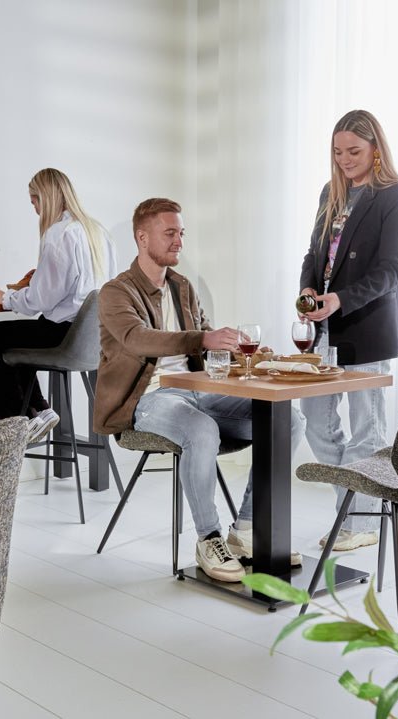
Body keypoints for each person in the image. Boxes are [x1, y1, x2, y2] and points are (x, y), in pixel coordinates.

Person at [94, 198, 305, 582]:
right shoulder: (116, 292)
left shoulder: (182, 287)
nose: (178, 242)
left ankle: (246, 529)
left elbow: (206, 342)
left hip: (198, 391)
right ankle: (208, 538)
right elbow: (137, 338)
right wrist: (205, 337)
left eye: (181, 233)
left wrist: (245, 353)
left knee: (286, 419)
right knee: (201, 429)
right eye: (169, 233)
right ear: (143, 237)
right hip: (148, 399)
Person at [298, 109, 398, 552]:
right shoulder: (333, 192)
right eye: (337, 152)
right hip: (324, 325)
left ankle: (358, 522)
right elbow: (314, 253)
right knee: (316, 421)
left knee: (367, 427)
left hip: (368, 324)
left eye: (354, 151)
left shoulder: (397, 196)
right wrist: (309, 290)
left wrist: (342, 299)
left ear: (375, 149)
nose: (345, 159)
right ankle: (349, 513)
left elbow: (392, 269)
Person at [0, 168, 116, 442]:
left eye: (35, 202)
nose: (35, 210)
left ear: (45, 198)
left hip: (64, 335)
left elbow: (40, 301)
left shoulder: (59, 234)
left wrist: (5, 298)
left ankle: (13, 429)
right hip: (95, 339)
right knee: (21, 337)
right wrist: (39, 277)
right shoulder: (97, 231)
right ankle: (39, 410)